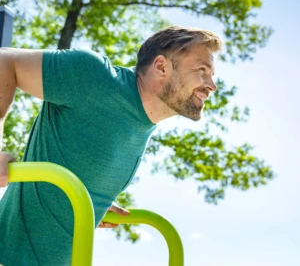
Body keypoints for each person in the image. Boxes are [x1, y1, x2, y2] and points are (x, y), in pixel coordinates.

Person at [0, 26, 221, 265]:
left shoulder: (143, 126)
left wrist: (93, 202)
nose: (212, 85)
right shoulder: (95, 77)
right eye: (202, 70)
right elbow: (4, 61)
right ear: (161, 67)